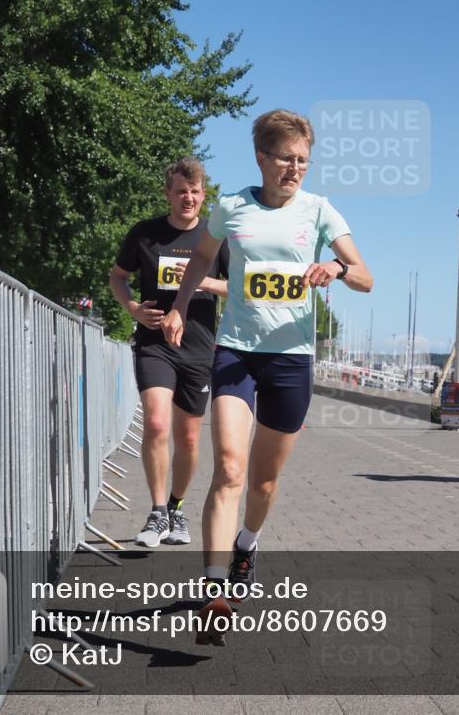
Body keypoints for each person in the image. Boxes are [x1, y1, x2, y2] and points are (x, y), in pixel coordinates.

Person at [162, 109, 372, 643]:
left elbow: (367, 277)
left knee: (264, 480)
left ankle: (247, 546)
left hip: (291, 359)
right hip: (236, 353)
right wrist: (181, 307)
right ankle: (213, 592)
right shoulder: (231, 208)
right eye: (286, 158)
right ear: (262, 157)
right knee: (229, 469)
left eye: (303, 160)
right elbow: (200, 261)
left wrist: (338, 270)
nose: (295, 168)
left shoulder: (320, 211)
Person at [109, 157, 229, 547]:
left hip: (198, 347)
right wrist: (132, 309)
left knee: (189, 438)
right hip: (154, 343)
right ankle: (157, 513)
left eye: (195, 192)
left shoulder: (215, 238)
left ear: (203, 194)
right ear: (168, 193)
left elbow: (238, 287)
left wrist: (202, 282)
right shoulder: (145, 234)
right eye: (181, 191)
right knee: (158, 424)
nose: (188, 198)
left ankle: (177, 509)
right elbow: (118, 277)